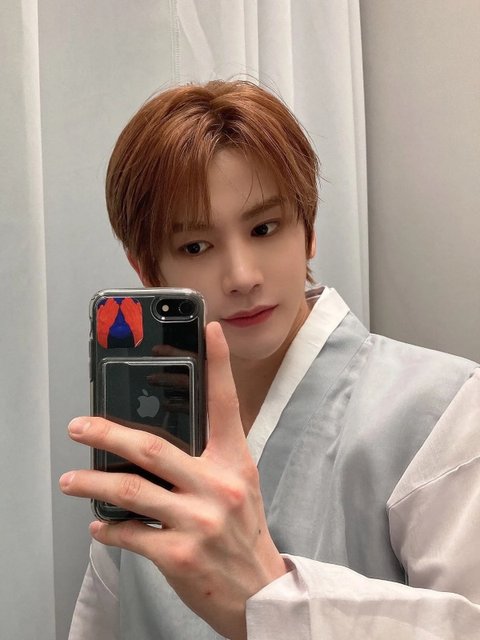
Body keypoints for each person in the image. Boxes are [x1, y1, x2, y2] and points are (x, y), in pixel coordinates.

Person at [60, 80, 480, 639]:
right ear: (146, 268)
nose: (242, 276)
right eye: (195, 246)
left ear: (309, 230)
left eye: (264, 228)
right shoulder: (150, 445)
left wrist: (270, 599)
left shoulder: (443, 413)